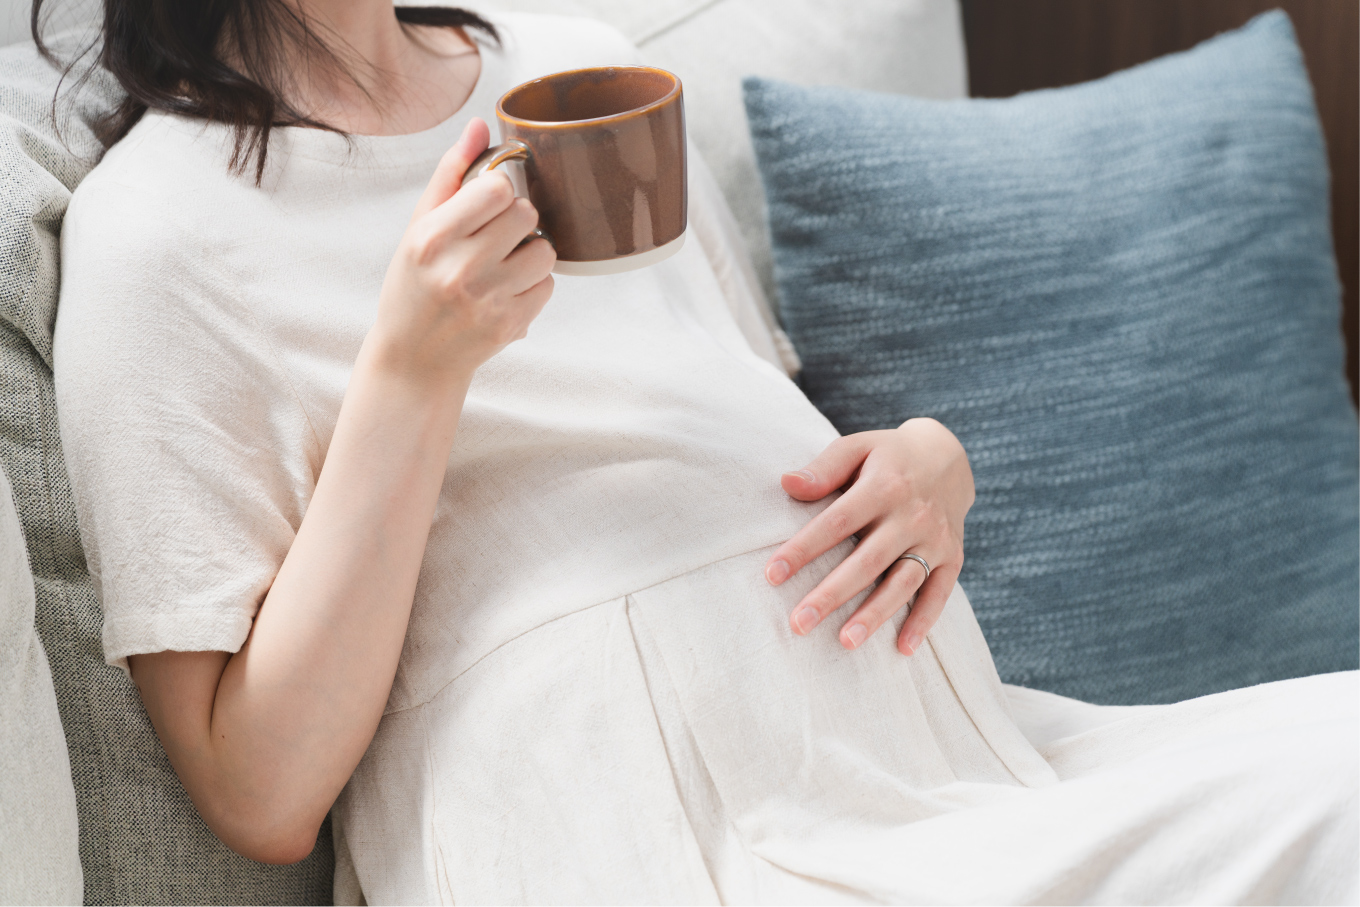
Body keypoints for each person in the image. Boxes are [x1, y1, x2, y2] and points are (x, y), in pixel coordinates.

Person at [47, 1, 1357, 903]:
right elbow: (258, 789)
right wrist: (412, 373)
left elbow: (749, 429)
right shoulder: (159, 235)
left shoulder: (578, 72)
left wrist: (926, 462)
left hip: (952, 776)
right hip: (626, 845)